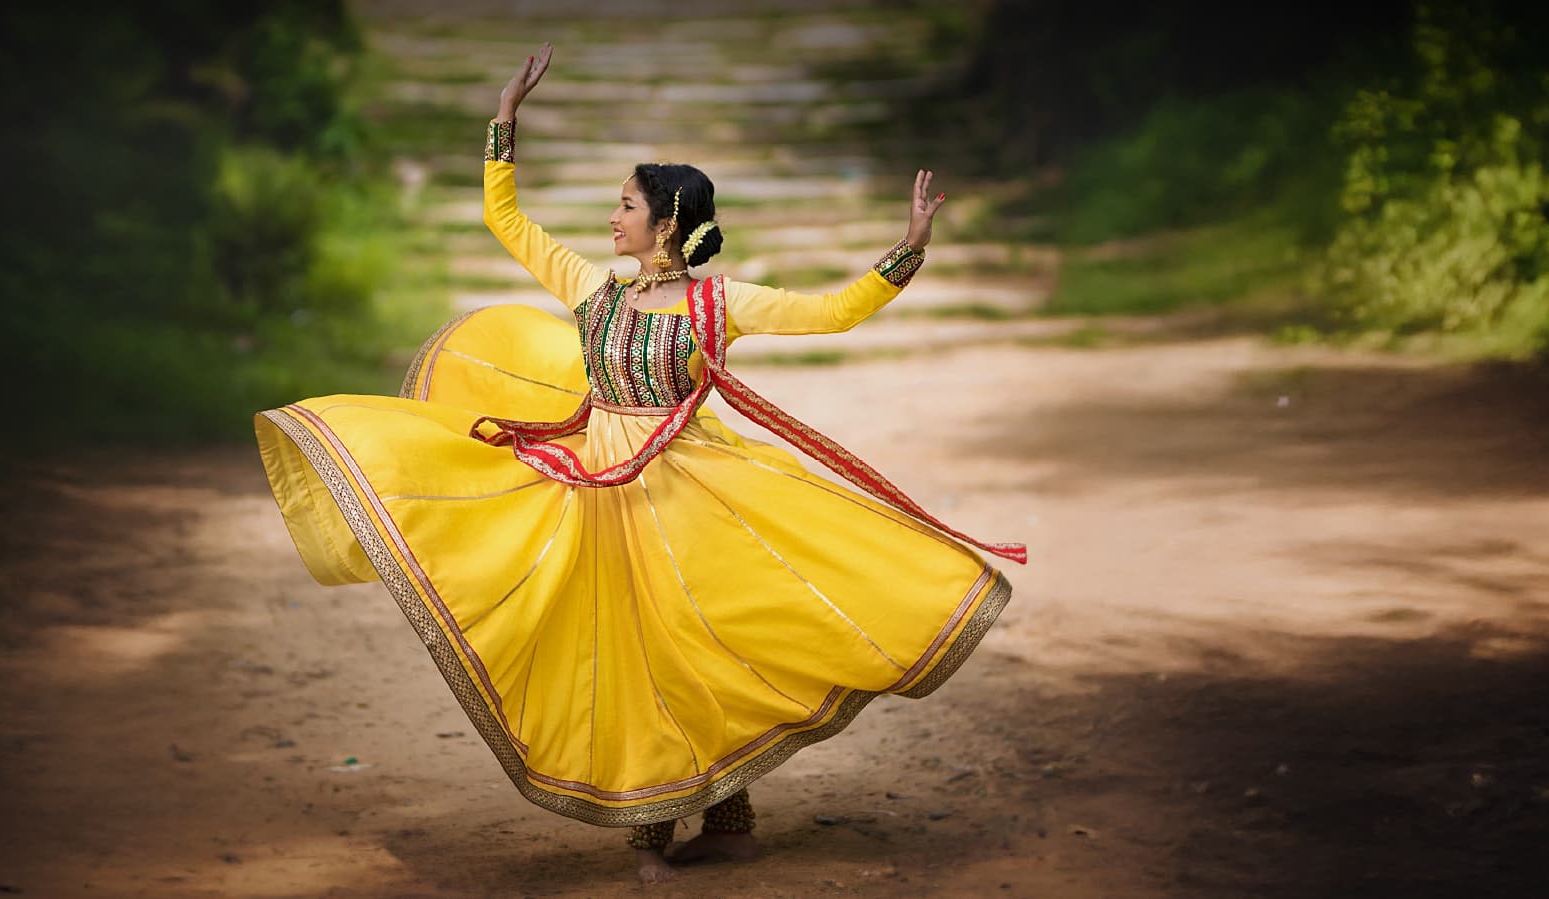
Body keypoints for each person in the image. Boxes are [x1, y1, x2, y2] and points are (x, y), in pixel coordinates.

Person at [252, 43, 1025, 885]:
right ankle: (651, 839)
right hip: (597, 490)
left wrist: (905, 251)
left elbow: (834, 311)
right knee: (624, 653)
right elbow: (507, 225)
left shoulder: (717, 303)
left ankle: (727, 818)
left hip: (688, 490)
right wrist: (504, 121)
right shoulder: (596, 291)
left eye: (624, 206)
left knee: (706, 645)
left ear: (666, 222)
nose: (611, 220)